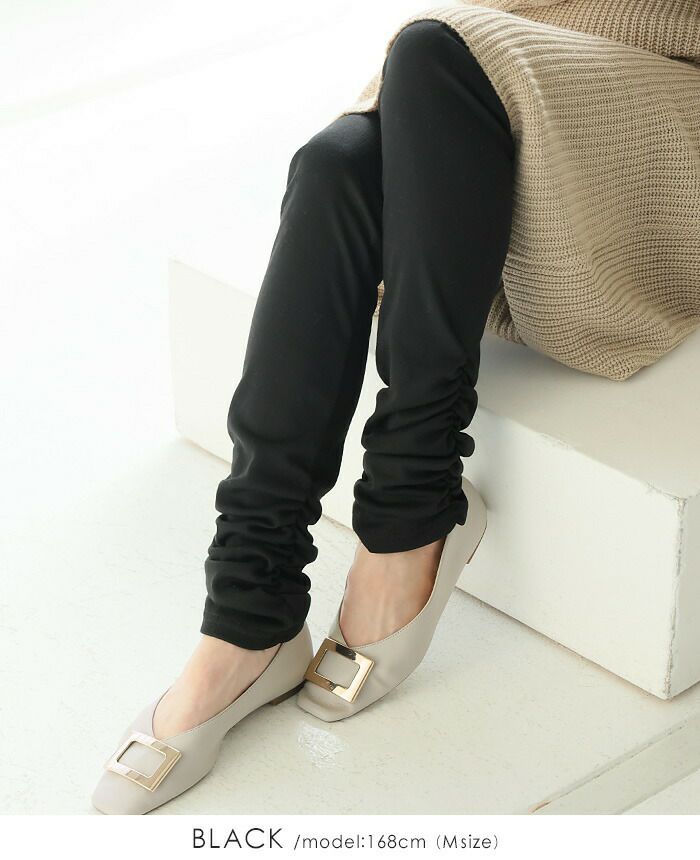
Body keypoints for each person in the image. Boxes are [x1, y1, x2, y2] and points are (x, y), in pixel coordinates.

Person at [92, 0, 700, 814]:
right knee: (336, 164)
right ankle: (248, 608)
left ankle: (412, 511)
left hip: (670, 84)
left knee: (438, 50)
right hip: (545, 36)